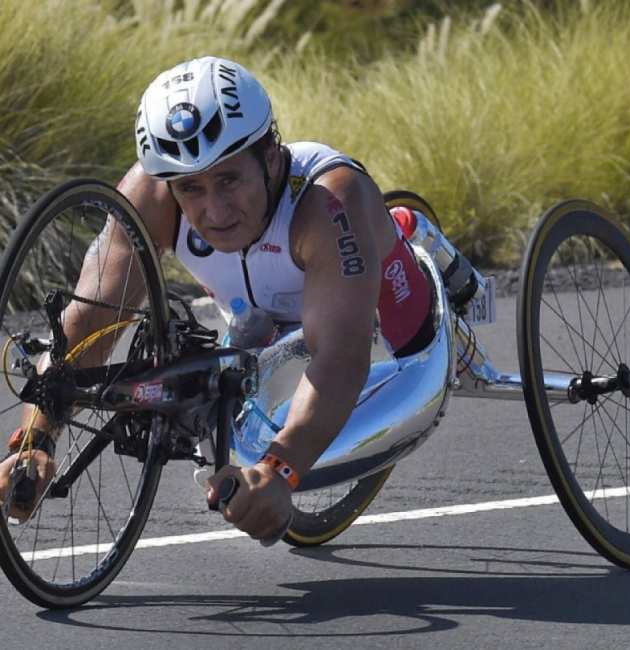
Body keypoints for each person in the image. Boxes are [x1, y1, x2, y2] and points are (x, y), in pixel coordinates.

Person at [0, 56, 434, 543]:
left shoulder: (326, 204)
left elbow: (340, 355)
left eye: (229, 179)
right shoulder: (153, 195)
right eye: (192, 189)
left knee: (404, 340)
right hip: (262, 323)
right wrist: (36, 438)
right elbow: (87, 321)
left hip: (378, 317)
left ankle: (413, 237)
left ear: (270, 157)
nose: (214, 210)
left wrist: (281, 470)